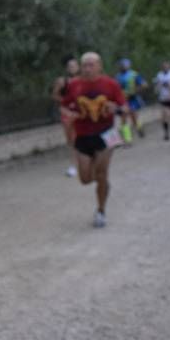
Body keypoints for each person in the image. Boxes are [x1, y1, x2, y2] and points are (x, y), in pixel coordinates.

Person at [59, 52, 127, 228]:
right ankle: (102, 183)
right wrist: (70, 115)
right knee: (85, 179)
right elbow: (64, 106)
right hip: (83, 135)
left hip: (106, 134)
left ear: (100, 66)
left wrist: (116, 108)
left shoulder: (111, 84)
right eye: (85, 65)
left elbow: (125, 108)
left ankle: (101, 210)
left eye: (91, 65)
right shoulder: (74, 85)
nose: (88, 68)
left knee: (102, 173)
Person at [51, 55, 81, 177]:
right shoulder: (62, 81)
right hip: (68, 113)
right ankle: (74, 166)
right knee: (72, 141)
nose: (73, 68)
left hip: (82, 112)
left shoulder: (84, 79)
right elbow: (54, 95)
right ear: (66, 68)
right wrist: (66, 101)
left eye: (75, 65)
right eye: (70, 66)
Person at [114, 58, 147, 138]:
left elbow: (144, 85)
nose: (122, 67)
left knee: (134, 116)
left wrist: (135, 91)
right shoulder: (117, 76)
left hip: (132, 98)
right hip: (122, 100)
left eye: (124, 65)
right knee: (123, 118)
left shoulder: (134, 74)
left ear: (128, 65)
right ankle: (128, 139)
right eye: (121, 65)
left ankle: (139, 128)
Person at [153, 60, 170, 141]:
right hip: (164, 98)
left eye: (167, 65)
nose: (165, 67)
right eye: (164, 66)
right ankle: (166, 133)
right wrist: (157, 89)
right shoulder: (159, 75)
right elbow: (157, 85)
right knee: (165, 116)